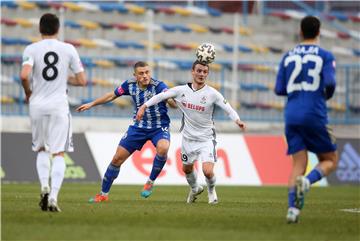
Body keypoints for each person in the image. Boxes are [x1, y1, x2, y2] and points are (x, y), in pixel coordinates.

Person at [136, 60, 246, 204]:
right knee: (186, 169)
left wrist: (237, 120)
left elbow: (228, 108)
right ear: (192, 72)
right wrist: (144, 106)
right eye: (199, 71)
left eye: (204, 72)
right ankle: (195, 189)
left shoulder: (212, 93)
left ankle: (211, 191)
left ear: (207, 74)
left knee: (207, 171)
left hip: (206, 138)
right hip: (188, 138)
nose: (201, 74)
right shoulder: (181, 90)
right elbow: (160, 96)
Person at [76, 61, 176, 202]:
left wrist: (171, 100)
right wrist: (91, 104)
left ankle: (150, 182)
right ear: (135, 75)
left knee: (163, 147)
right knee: (117, 158)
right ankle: (103, 194)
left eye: (147, 72)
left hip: (159, 127)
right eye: (141, 73)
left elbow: (172, 103)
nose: (145, 76)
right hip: (139, 127)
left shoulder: (159, 85)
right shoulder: (129, 85)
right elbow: (112, 95)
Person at [20, 13, 87, 212]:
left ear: (40, 29)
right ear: (58, 29)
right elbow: (82, 80)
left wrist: (28, 92)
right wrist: (63, 80)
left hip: (37, 105)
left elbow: (24, 75)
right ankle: (54, 197)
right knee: (58, 152)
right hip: (59, 105)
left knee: (41, 149)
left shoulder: (31, 49)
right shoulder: (68, 49)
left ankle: (44, 187)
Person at [275, 16, 338, 223]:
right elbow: (330, 82)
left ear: (300, 32)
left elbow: (279, 89)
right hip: (314, 113)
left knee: (298, 163)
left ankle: (292, 211)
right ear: (318, 32)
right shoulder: (325, 55)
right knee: (329, 159)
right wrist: (323, 97)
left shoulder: (287, 56)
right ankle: (308, 182)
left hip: (291, 115)